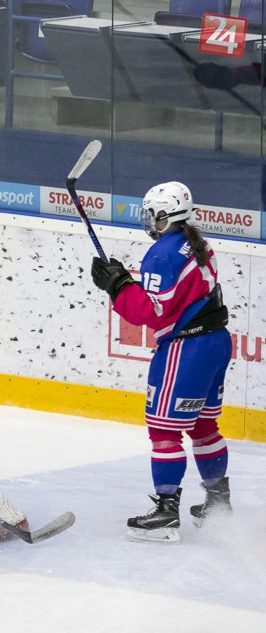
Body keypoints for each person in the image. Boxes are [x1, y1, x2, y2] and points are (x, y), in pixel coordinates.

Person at [90, 181, 232, 543]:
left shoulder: (162, 254)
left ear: (165, 215)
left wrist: (118, 286)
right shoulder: (196, 243)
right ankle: (218, 503)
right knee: (203, 426)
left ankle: (166, 512)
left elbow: (151, 313)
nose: (148, 220)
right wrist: (124, 281)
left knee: (164, 431)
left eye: (151, 214)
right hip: (216, 342)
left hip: (187, 349)